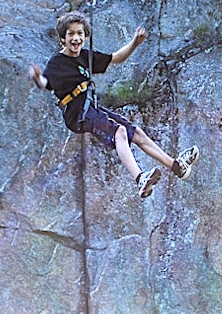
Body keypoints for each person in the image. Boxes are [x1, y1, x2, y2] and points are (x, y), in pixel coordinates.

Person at [29, 11, 198, 199]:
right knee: (120, 132)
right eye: (71, 34)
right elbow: (47, 83)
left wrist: (135, 43)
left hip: (91, 108)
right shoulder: (57, 63)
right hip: (78, 114)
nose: (76, 38)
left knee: (136, 133)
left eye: (79, 33)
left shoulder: (85, 57)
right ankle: (140, 178)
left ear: (85, 36)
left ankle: (176, 167)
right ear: (63, 39)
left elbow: (117, 58)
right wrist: (38, 78)